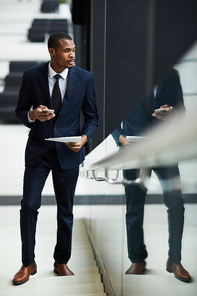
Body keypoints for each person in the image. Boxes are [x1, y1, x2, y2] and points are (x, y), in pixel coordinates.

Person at [13, 32, 98, 285]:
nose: (72, 54)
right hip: (39, 152)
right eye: (66, 50)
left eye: (73, 50)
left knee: (66, 211)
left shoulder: (85, 78)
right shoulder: (31, 76)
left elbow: (92, 117)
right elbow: (20, 112)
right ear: (52, 52)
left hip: (68, 153)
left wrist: (84, 140)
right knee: (28, 205)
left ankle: (61, 261)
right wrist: (32, 115)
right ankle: (28, 263)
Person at [112, 68, 192, 283]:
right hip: (133, 150)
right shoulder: (123, 75)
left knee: (176, 203)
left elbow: (181, 111)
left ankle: (174, 260)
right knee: (134, 208)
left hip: (164, 148)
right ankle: (137, 259)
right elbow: (108, 112)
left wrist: (172, 114)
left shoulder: (171, 74)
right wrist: (120, 138)